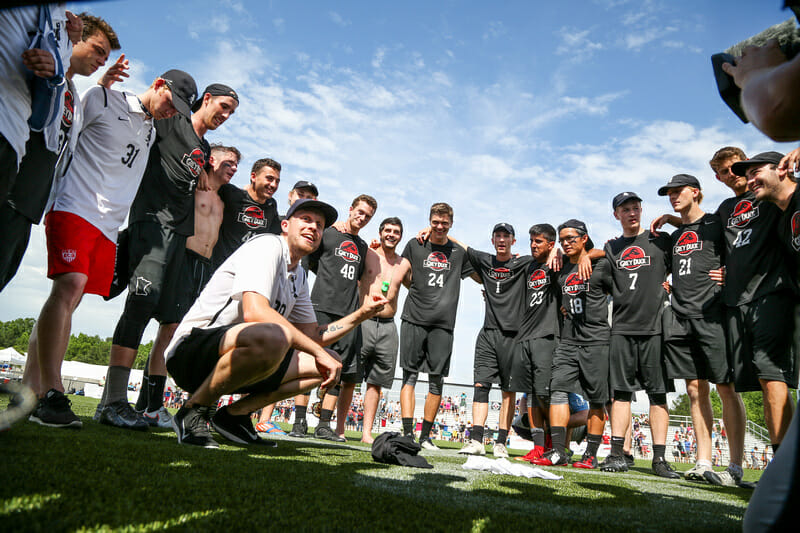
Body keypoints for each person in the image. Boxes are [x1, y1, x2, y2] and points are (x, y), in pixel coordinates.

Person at [25, 69, 195, 428]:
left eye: (179, 110)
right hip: (74, 206)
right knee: (68, 287)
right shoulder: (103, 98)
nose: (171, 111)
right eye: (170, 101)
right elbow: (65, 134)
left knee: (69, 299)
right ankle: (51, 393)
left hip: (108, 226)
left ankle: (29, 390)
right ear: (158, 85)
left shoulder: (151, 130)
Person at [164, 199, 388, 447]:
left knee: (330, 360)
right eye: (306, 219)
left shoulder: (299, 274)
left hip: (234, 359)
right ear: (285, 225)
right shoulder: (267, 246)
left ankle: (233, 417)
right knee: (274, 335)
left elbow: (311, 336)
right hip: (191, 352)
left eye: (319, 225)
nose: (313, 227)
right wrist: (316, 351)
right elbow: (255, 313)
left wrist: (361, 314)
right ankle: (192, 410)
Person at [98, 82, 239, 430]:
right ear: (205, 100)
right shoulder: (171, 121)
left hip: (179, 236)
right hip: (151, 222)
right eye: (222, 106)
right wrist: (105, 85)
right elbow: (140, 118)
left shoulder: (204, 148)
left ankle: (149, 405)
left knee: (171, 323)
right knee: (140, 304)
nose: (224, 115)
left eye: (231, 112)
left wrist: (207, 171)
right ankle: (112, 400)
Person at [0, 12, 123, 291]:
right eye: (98, 50)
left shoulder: (73, 95)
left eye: (106, 57)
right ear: (74, 39)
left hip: (29, 205)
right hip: (9, 187)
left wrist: (103, 86)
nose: (102, 61)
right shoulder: (38, 62)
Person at [133, 144, 241, 426]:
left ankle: (146, 402)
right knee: (169, 328)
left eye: (236, 164)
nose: (234, 168)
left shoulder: (226, 197)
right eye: (228, 162)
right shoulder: (195, 185)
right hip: (183, 258)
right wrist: (200, 171)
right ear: (212, 160)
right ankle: (154, 405)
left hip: (207, 267)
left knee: (191, 332)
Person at [656, 173, 747, 483]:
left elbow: (741, 247)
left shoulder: (715, 222)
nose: (672, 196)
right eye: (669, 193)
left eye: (678, 191)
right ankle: (703, 461)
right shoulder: (676, 234)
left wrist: (729, 271)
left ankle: (735, 466)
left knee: (726, 388)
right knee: (695, 391)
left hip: (712, 315)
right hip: (680, 318)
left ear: (695, 192)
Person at [597, 192, 678, 479]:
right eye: (625, 209)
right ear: (616, 215)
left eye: (635, 208)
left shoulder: (660, 240)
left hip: (654, 328)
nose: (632, 213)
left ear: (641, 210)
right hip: (621, 328)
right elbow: (600, 276)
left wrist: (672, 219)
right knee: (620, 393)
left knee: (658, 395)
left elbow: (693, 240)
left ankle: (659, 459)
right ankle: (618, 453)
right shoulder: (612, 247)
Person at [392, 203, 474, 444]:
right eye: (435, 222)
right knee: (409, 377)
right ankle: (408, 433)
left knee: (436, 380)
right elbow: (402, 274)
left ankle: (426, 436)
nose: (439, 227)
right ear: (429, 221)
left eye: (444, 223)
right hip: (414, 318)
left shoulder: (458, 252)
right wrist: (418, 291)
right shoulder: (415, 245)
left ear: (451, 224)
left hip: (443, 324)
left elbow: (481, 273)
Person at [532, 220, 611, 468]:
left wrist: (592, 254)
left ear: (584, 238)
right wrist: (556, 251)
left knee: (597, 399)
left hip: (597, 340)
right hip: (568, 339)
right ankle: (558, 451)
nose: (566, 243)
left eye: (571, 238)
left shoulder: (601, 264)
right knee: (558, 391)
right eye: (562, 239)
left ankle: (590, 454)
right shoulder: (562, 267)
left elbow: (616, 255)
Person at [456, 223, 533, 458]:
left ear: (513, 241)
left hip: (513, 336)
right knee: (481, 386)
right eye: (498, 236)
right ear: (492, 240)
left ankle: (500, 442)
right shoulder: (486, 261)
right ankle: (476, 439)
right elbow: (463, 247)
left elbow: (548, 256)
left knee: (508, 391)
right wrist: (436, 232)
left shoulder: (523, 263)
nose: (502, 240)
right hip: (488, 333)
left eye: (506, 236)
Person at [305, 194, 377, 441]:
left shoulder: (363, 246)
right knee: (308, 362)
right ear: (350, 209)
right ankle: (299, 420)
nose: (362, 218)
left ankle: (324, 424)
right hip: (321, 306)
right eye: (360, 212)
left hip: (347, 313)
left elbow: (360, 277)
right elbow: (311, 261)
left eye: (367, 216)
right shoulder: (328, 233)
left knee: (340, 369)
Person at [256, 179, 319, 436]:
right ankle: (206, 408)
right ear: (291, 195)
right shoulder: (273, 222)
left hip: (292, 290)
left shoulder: (312, 231)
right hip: (260, 287)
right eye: (301, 194)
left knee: (282, 350)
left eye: (311, 198)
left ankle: (264, 417)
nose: (305, 199)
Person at [0, 5, 80, 204]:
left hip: (13, 142)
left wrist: (52, 73)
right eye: (98, 51)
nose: (102, 61)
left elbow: (47, 111)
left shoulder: (64, 28)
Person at [513, 224, 560, 462]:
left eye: (539, 241)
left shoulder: (558, 262)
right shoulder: (527, 266)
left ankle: (554, 446)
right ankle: (538, 447)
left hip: (547, 335)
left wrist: (557, 252)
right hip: (525, 336)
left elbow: (588, 251)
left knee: (545, 394)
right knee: (530, 394)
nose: (533, 245)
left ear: (551, 244)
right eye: (532, 240)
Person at [357, 217, 405, 443]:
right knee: (348, 376)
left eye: (396, 231)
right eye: (387, 230)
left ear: (400, 236)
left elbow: (420, 286)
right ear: (380, 232)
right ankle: (332, 426)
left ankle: (366, 433)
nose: (391, 234)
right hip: (363, 320)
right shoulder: (368, 252)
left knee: (376, 383)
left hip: (388, 326)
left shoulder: (404, 264)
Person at [210, 157, 282, 270]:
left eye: (277, 181)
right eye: (269, 179)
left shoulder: (271, 206)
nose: (273, 185)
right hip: (219, 268)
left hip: (248, 273)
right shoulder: (231, 194)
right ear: (253, 177)